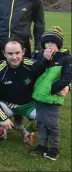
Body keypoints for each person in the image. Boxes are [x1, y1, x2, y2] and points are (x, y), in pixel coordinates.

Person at [0, 38, 49, 145]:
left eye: (17, 53)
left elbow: (53, 74)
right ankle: (2, 127)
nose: (14, 57)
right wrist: (2, 118)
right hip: (8, 105)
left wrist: (68, 85)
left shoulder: (32, 65)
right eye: (10, 53)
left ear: (24, 52)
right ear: (4, 54)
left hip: (29, 105)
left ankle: (28, 130)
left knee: (48, 117)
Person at [28, 26, 71, 160]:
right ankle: (41, 146)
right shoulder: (42, 56)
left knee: (52, 124)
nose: (50, 45)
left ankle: (54, 149)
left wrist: (56, 88)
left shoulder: (65, 58)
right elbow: (35, 72)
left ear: (58, 44)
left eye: (53, 42)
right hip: (40, 96)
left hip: (53, 98)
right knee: (41, 122)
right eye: (47, 42)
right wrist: (44, 60)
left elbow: (67, 76)